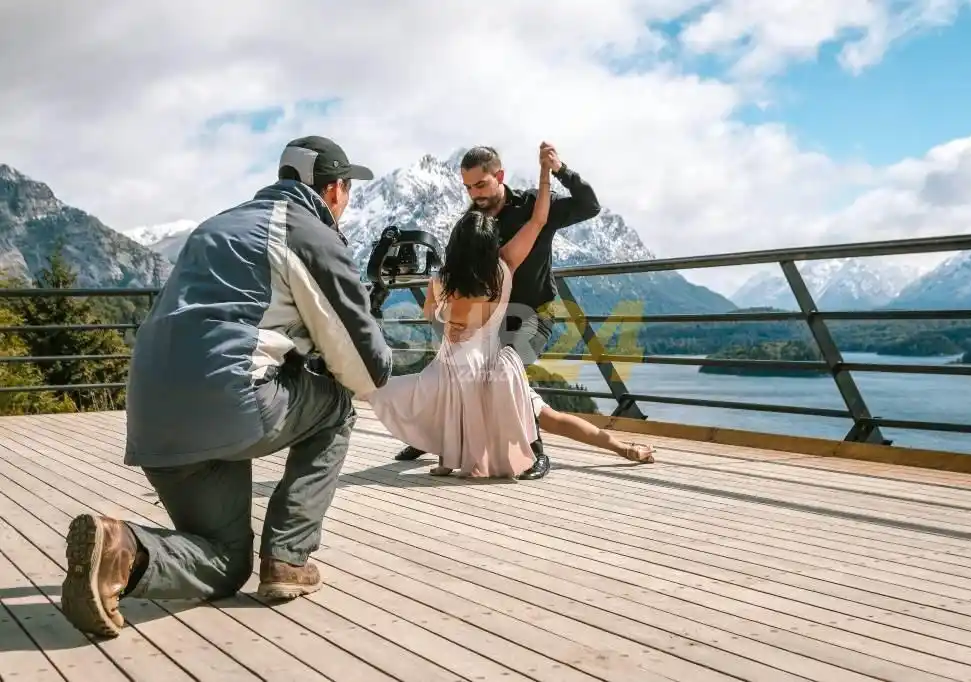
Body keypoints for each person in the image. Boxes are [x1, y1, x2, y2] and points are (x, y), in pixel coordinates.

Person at [59, 135, 392, 638]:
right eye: (347, 188)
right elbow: (367, 368)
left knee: (225, 562)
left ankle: (121, 549)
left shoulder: (216, 225)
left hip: (151, 416)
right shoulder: (305, 231)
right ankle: (288, 558)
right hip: (231, 403)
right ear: (333, 191)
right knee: (338, 405)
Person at [394, 142, 602, 480]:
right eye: (467, 187)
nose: (474, 193)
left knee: (508, 370)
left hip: (532, 313)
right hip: (487, 320)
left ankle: (534, 453)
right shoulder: (470, 222)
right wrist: (452, 322)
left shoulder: (535, 207)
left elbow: (590, 206)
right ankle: (432, 437)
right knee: (450, 366)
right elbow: (453, 273)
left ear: (499, 176)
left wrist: (559, 170)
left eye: (480, 184)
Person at [365, 146, 555, 478]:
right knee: (506, 380)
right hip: (483, 362)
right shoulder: (504, 263)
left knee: (423, 393)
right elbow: (539, 219)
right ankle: (532, 452)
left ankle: (442, 447)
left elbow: (429, 316)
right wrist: (544, 174)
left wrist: (449, 321)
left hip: (456, 365)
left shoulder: (444, 278)